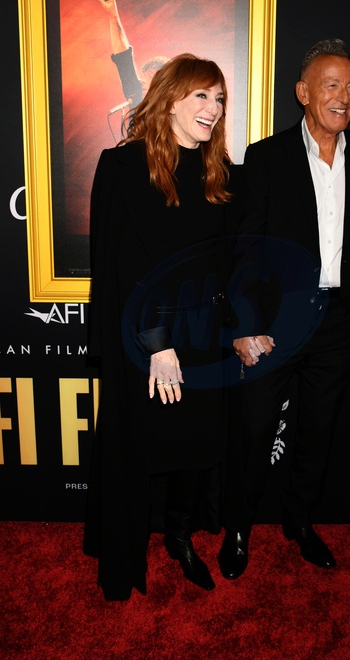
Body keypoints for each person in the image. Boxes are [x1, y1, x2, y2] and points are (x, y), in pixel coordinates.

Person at [218, 38, 350, 579]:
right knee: (254, 430)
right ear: (303, 92)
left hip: (338, 320)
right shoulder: (267, 158)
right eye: (332, 85)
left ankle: (300, 520)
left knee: (318, 430)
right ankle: (239, 527)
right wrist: (247, 323)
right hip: (275, 322)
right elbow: (246, 246)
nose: (344, 97)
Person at [83, 52, 240, 600]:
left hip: (205, 338)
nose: (213, 108)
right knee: (138, 447)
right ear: (170, 100)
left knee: (196, 446)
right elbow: (121, 267)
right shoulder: (124, 167)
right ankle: (127, 554)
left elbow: (229, 263)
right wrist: (157, 344)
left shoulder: (219, 173)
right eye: (201, 95)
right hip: (147, 339)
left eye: (219, 99)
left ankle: (179, 536)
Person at [97, 0, 170, 110]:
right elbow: (123, 58)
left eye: (149, 77)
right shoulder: (137, 96)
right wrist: (113, 15)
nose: (142, 81)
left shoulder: (176, 110)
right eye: (144, 77)